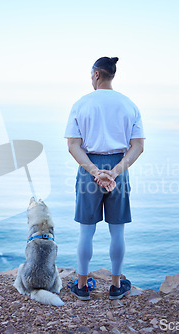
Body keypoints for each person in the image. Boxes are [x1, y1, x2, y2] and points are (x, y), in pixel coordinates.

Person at [64, 56, 145, 300]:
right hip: (118, 168)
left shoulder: (81, 104)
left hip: (90, 168)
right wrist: (115, 172)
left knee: (86, 232)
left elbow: (73, 146)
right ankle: (116, 285)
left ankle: (81, 286)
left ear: (96, 75)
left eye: (91, 76)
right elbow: (138, 146)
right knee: (117, 232)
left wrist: (95, 172)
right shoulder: (129, 104)